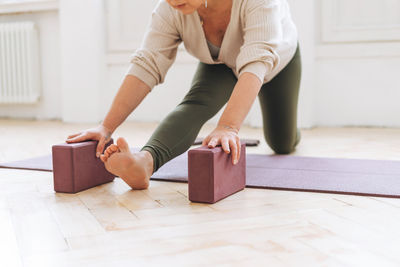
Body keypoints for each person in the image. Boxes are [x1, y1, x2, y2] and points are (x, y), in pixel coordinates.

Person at [66, 0, 301, 190]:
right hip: (220, 63)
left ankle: (293, 134)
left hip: (276, 64)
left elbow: (256, 62)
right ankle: (144, 163)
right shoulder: (169, 9)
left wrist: (228, 127)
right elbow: (147, 64)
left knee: (282, 143)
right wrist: (106, 127)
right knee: (196, 103)